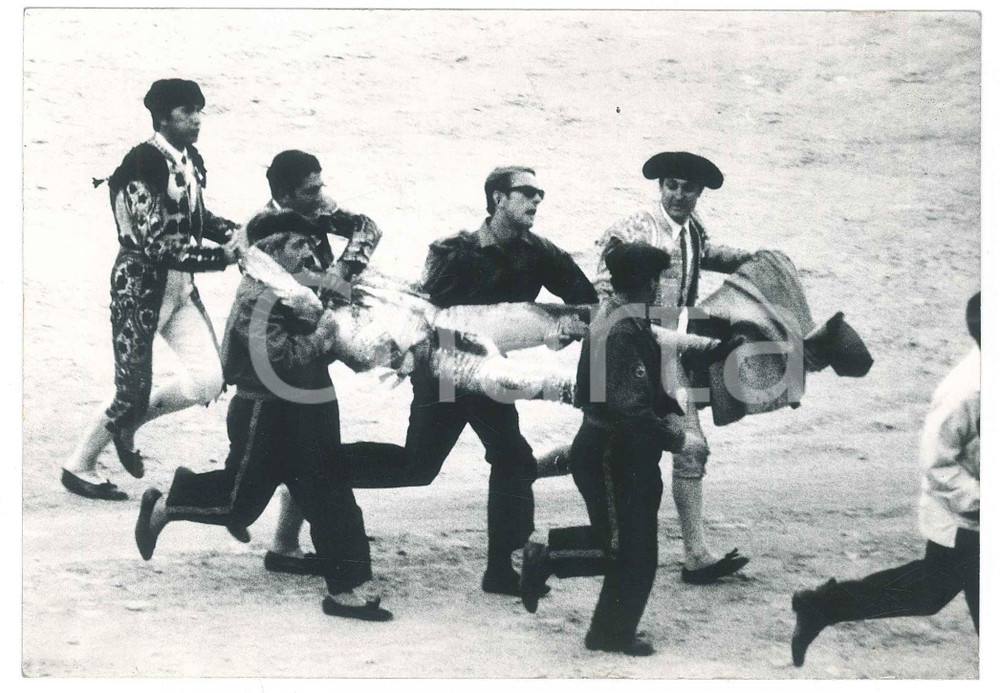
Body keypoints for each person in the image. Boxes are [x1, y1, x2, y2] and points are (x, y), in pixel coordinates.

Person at [266, 166, 598, 596]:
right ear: (498, 198)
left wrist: (558, 330)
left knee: (472, 461)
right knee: (454, 462)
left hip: (488, 370)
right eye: (526, 194)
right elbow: (423, 314)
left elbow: (584, 301)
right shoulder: (456, 250)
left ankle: (501, 567)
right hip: (443, 371)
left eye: (540, 195)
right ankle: (315, 467)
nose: (536, 202)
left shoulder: (542, 253)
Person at [133, 209, 392, 622]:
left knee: (333, 493)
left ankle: (347, 587)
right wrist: (325, 336)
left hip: (313, 406)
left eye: (310, 243)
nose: (309, 253)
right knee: (239, 504)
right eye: (298, 244)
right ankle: (168, 503)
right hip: (265, 412)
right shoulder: (257, 296)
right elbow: (278, 360)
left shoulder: (299, 285)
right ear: (270, 250)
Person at [62, 79, 240, 500]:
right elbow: (158, 245)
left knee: (208, 380)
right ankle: (79, 465)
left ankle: (133, 422)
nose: (196, 119)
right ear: (163, 117)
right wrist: (223, 257)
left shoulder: (186, 157)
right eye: (186, 112)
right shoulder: (142, 163)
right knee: (131, 388)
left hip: (180, 289)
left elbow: (195, 216)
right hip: (140, 290)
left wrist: (237, 233)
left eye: (199, 110)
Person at [790, 292, 980, 667]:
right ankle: (820, 606)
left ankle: (820, 606)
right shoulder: (966, 391)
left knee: (929, 591)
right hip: (969, 521)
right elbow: (938, 466)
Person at [519, 241, 688, 656]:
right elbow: (629, 408)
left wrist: (666, 410)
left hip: (610, 449)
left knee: (624, 544)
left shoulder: (617, 318)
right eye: (657, 279)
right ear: (646, 283)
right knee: (633, 551)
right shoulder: (623, 329)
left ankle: (591, 609)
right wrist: (675, 437)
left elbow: (637, 390)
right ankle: (563, 577)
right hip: (616, 453)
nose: (660, 287)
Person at [593, 151, 753, 584]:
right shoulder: (634, 228)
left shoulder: (692, 228)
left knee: (677, 446)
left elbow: (704, 251)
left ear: (700, 193)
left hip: (668, 350)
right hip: (634, 351)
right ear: (660, 187)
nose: (679, 195)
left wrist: (756, 259)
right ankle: (526, 472)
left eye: (688, 188)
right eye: (672, 186)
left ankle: (696, 556)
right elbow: (602, 287)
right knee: (613, 443)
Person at [239, 150, 385, 573]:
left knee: (307, 453)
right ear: (285, 195)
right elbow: (272, 302)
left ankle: (284, 545)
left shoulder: (313, 210)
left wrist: (339, 275)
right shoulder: (264, 235)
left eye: (321, 184)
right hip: (287, 354)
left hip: (313, 342)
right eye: (312, 189)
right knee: (307, 455)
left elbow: (368, 228)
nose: (323, 195)